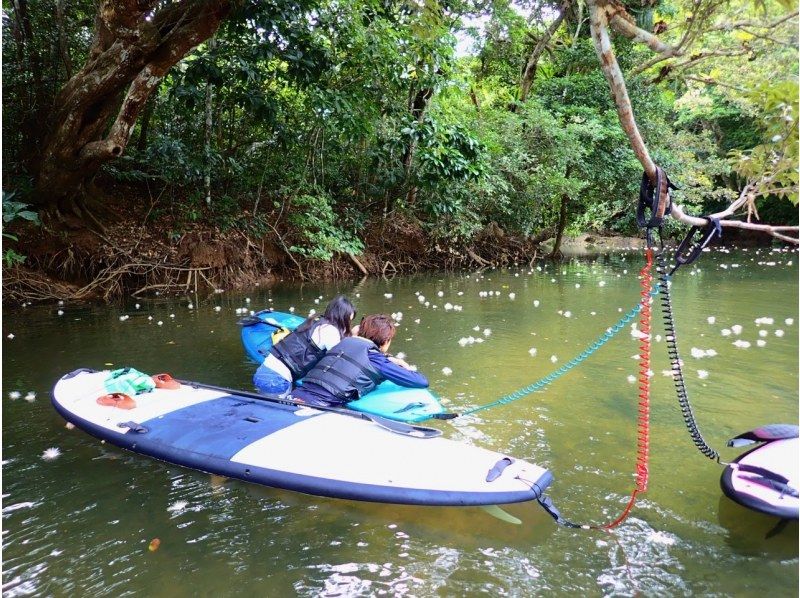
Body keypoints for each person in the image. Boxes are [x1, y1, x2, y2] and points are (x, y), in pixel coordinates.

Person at [292, 313, 428, 407]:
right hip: (321, 405)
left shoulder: (343, 342)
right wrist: (405, 367)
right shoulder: (376, 359)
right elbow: (421, 381)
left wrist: (389, 358)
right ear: (386, 341)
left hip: (297, 394)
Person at [253, 295, 356, 397]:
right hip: (276, 380)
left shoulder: (315, 322)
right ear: (341, 318)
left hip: (264, 371)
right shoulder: (330, 331)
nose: (348, 324)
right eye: (348, 320)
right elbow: (338, 361)